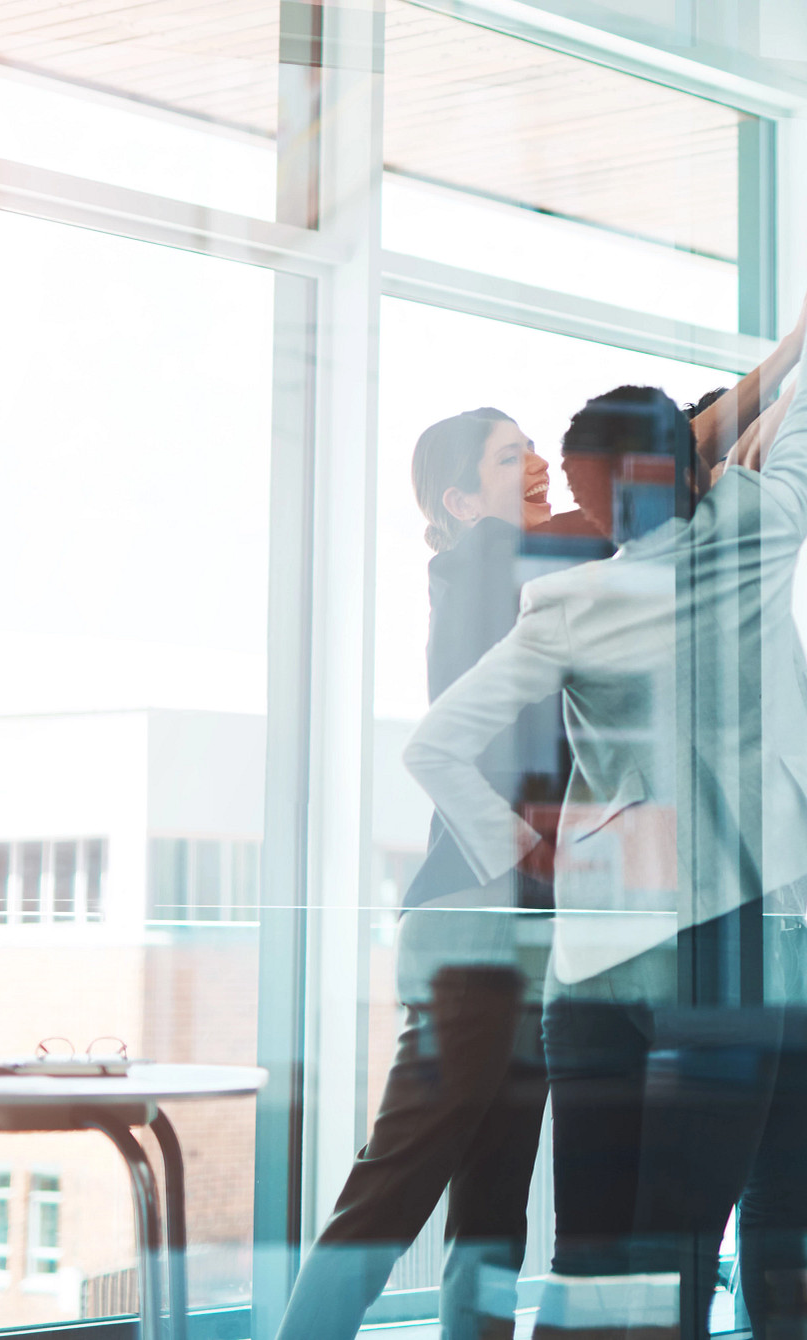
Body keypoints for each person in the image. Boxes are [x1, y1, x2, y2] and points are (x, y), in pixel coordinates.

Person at [404, 172, 807, 1340]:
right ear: (695, 470)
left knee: (588, 1258)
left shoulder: (565, 601)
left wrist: (537, 851)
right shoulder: (756, 530)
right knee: (674, 1255)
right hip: (715, 953)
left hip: (593, 963)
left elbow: (434, 747)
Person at [278, 409, 567, 1340]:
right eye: (510, 456)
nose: (538, 464)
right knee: (401, 1176)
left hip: (524, 927)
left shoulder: (520, 580)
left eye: (535, 448)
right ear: (461, 502)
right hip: (476, 925)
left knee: (495, 1196)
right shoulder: (481, 560)